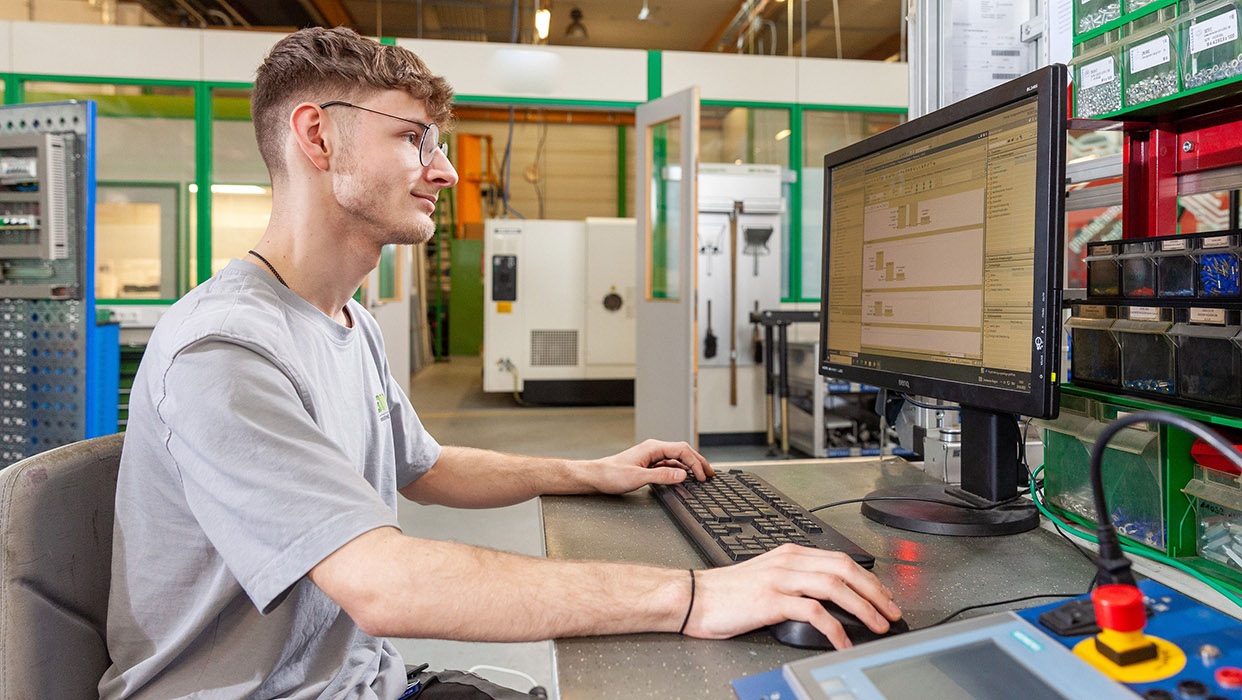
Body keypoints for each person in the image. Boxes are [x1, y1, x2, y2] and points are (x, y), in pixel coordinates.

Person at [99, 27, 901, 700]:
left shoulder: (347, 320)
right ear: (316, 136)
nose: (444, 171)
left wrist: (590, 472)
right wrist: (695, 595)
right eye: (413, 140)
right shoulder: (226, 350)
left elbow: (427, 466)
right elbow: (386, 585)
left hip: (360, 683)